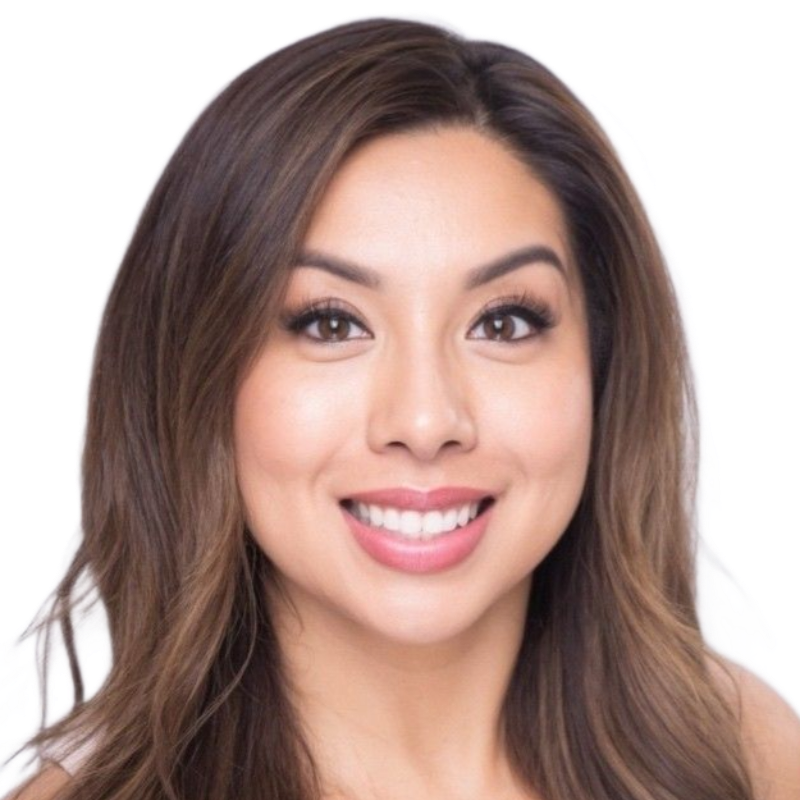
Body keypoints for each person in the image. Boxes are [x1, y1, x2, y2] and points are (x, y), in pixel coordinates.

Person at [6, 11, 799, 800]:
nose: (424, 424)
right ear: (195, 377)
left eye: (504, 322)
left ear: (605, 364)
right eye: (329, 323)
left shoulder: (747, 759)